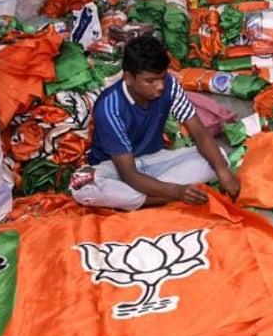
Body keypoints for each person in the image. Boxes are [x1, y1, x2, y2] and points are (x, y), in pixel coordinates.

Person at [71, 35, 240, 210]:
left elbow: (200, 133)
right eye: (150, 81)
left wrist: (223, 173)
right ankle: (158, 197)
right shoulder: (110, 107)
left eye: (162, 77)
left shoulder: (170, 86)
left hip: (155, 161)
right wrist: (176, 191)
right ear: (128, 78)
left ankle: (143, 197)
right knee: (81, 185)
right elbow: (128, 174)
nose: (159, 86)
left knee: (218, 157)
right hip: (115, 170)